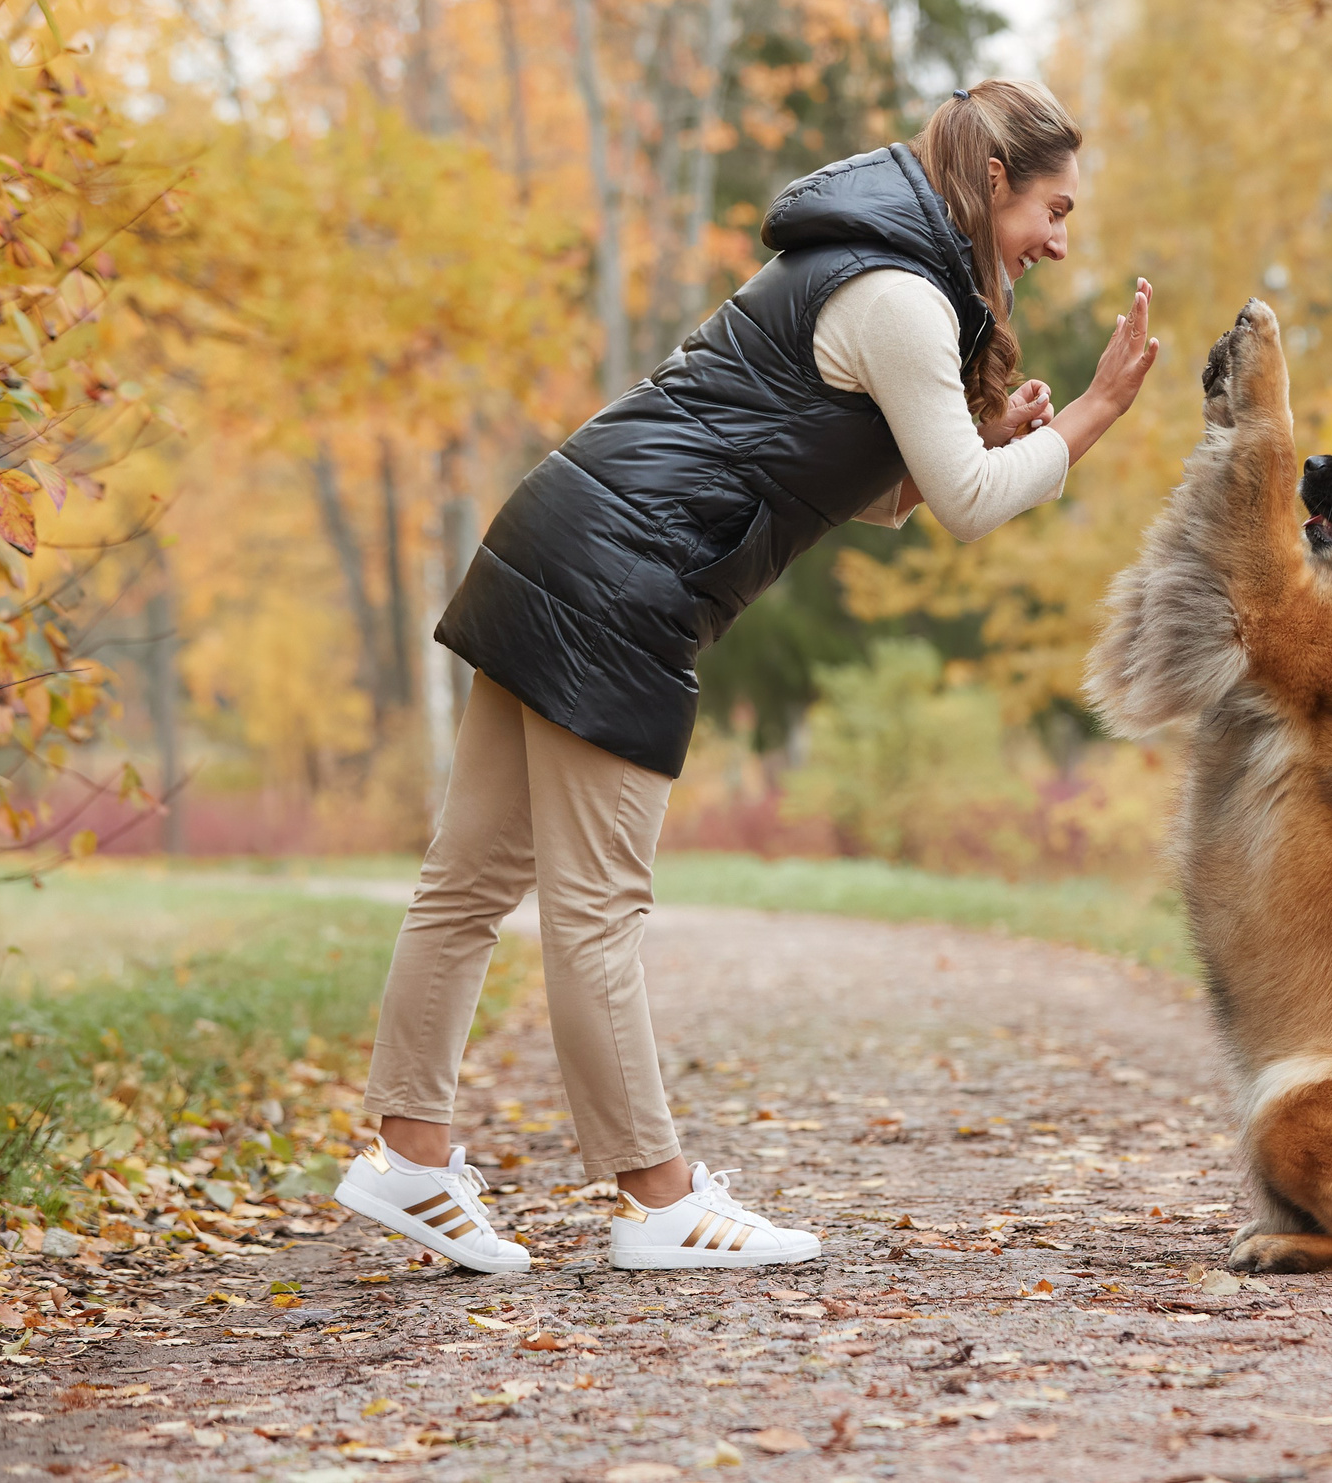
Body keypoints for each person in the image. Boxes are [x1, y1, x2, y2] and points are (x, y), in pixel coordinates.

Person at [330, 80, 1159, 1273]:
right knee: (595, 907)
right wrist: (1087, 418)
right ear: (991, 184)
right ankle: (658, 1200)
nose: (1061, 240)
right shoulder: (900, 294)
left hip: (559, 532)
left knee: (469, 880)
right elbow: (975, 509)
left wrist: (995, 439)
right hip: (622, 576)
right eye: (1052, 207)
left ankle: (408, 1162)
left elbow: (869, 489)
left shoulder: (866, 265)